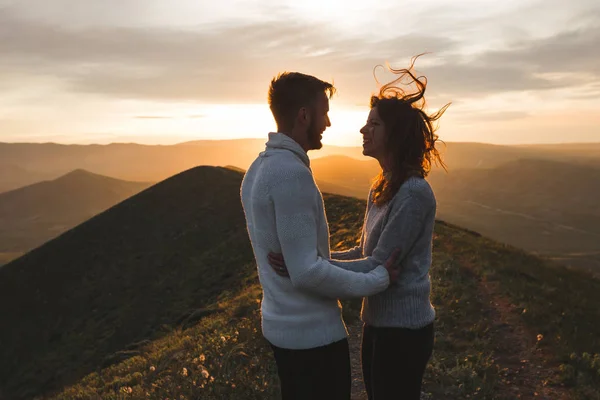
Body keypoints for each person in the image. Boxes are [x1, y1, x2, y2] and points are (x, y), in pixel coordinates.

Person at [268, 56, 449, 400]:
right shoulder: (382, 186)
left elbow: (378, 265)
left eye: (374, 125)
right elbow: (362, 254)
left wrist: (305, 268)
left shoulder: (413, 193)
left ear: (394, 135)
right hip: (377, 324)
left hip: (405, 330)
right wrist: (309, 260)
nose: (363, 131)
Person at [240, 72, 401, 400]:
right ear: (304, 115)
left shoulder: (256, 170)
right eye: (324, 112)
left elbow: (300, 263)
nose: (328, 122)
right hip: (312, 339)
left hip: (282, 329)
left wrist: (310, 262)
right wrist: (379, 279)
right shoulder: (290, 174)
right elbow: (307, 273)